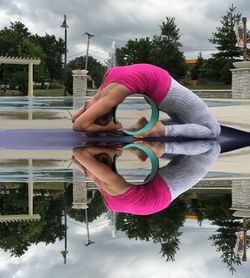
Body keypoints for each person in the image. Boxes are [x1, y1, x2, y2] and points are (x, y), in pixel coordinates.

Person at [72, 63, 221, 139]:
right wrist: (110, 128)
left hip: (164, 90)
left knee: (187, 124)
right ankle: (160, 129)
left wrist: (110, 128)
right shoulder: (108, 78)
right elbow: (79, 125)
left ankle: (144, 126)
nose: (86, 107)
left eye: (86, 108)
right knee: (213, 130)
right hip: (166, 90)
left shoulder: (108, 94)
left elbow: (77, 122)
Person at [72, 141, 220, 215]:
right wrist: (108, 149)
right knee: (212, 147)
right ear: (103, 165)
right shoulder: (110, 181)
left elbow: (77, 159)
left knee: (187, 154)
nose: (116, 155)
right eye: (113, 157)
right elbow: (77, 152)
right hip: (162, 193)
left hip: (153, 200)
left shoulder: (100, 180)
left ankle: (165, 146)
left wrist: (106, 152)